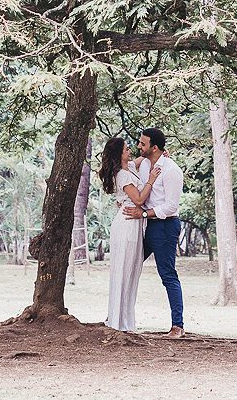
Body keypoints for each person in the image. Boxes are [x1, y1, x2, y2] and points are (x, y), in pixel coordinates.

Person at [122, 127, 186, 338]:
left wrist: (143, 214)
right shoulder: (145, 165)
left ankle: (178, 326)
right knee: (129, 265)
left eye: (142, 144)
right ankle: (120, 318)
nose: (138, 146)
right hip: (147, 225)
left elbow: (170, 207)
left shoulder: (171, 170)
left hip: (165, 226)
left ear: (155, 147)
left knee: (167, 274)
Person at [98, 136, 161, 332]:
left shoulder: (130, 168)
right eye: (126, 149)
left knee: (132, 272)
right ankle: (117, 321)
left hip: (135, 224)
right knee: (123, 272)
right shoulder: (122, 175)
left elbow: (142, 158)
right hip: (127, 224)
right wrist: (151, 180)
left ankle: (125, 320)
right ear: (119, 154)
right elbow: (139, 199)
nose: (130, 150)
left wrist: (159, 155)